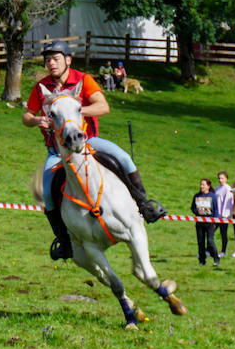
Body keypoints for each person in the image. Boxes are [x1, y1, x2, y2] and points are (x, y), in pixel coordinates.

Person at [22, 40, 166, 261]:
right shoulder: (41, 87)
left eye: (56, 59)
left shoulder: (83, 79)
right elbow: (26, 116)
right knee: (48, 194)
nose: (51, 63)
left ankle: (144, 205)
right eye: (48, 60)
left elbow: (103, 106)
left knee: (124, 158)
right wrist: (35, 120)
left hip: (88, 142)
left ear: (68, 60)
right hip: (57, 151)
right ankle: (64, 239)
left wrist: (74, 112)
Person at [191, 178, 220, 266]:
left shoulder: (212, 196)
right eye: (201, 184)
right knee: (200, 242)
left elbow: (216, 209)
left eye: (203, 185)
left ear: (208, 186)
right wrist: (197, 212)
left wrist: (215, 222)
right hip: (199, 222)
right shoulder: (197, 196)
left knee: (210, 241)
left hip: (210, 222)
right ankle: (202, 260)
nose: (201, 186)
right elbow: (193, 207)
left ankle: (216, 258)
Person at [214, 170, 234, 258]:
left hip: (224, 216)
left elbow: (228, 203)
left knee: (223, 233)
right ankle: (209, 249)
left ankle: (223, 251)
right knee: (211, 232)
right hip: (217, 215)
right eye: (219, 178)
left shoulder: (227, 189)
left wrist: (225, 215)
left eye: (222, 178)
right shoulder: (217, 188)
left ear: (226, 179)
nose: (220, 180)